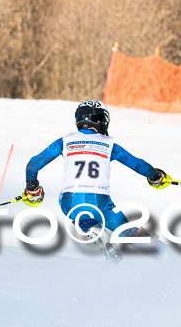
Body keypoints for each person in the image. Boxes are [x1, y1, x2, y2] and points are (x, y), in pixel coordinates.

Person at [22, 99, 171, 261]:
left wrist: (32, 188)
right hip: (100, 203)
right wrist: (156, 176)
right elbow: (138, 165)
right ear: (102, 120)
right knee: (126, 229)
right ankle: (166, 253)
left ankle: (94, 231)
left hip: (70, 201)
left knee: (79, 214)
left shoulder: (65, 141)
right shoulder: (109, 144)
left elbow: (32, 166)